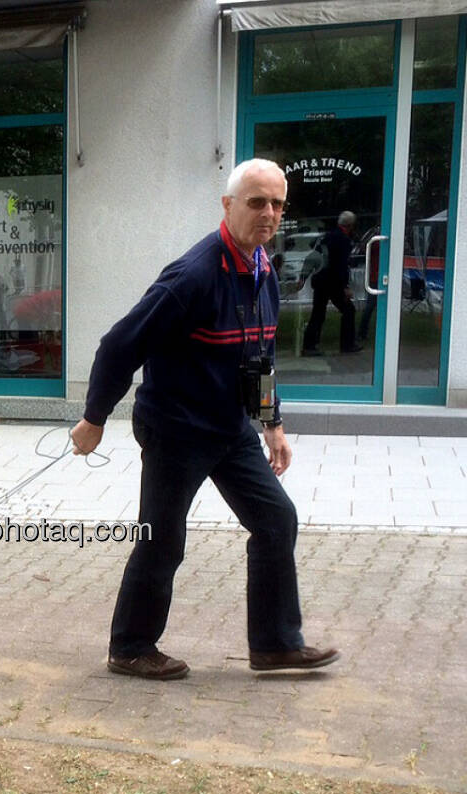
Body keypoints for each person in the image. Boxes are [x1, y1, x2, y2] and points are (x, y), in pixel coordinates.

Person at [69, 158, 338, 680]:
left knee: (276, 520)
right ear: (228, 205)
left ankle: (276, 644)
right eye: (257, 201)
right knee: (163, 539)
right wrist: (94, 417)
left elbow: (258, 357)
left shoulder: (262, 272)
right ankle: (130, 646)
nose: (269, 213)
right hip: (175, 428)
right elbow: (119, 345)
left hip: (228, 428)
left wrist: (272, 423)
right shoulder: (192, 276)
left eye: (278, 204)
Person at [301, 211, 359, 357]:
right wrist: (345, 286)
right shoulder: (343, 240)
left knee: (318, 313)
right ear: (350, 225)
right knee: (349, 310)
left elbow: (313, 256)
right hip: (333, 282)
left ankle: (309, 345)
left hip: (320, 280)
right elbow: (341, 265)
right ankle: (347, 344)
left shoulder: (327, 236)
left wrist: (303, 276)